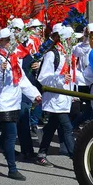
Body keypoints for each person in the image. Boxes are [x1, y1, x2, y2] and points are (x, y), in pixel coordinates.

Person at [0, 28, 42, 181]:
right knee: (11, 136)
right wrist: (0, 70)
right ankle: (12, 168)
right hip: (2, 103)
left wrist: (34, 95)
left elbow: (22, 80)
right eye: (6, 40)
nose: (9, 42)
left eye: (10, 39)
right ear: (0, 41)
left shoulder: (15, 58)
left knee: (6, 135)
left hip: (15, 102)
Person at [35, 26, 75, 167]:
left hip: (65, 98)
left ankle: (41, 154)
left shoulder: (68, 54)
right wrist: (60, 78)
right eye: (71, 38)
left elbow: (72, 75)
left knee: (52, 126)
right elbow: (43, 77)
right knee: (67, 128)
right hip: (55, 99)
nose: (73, 41)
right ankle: (77, 160)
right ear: (64, 39)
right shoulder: (52, 54)